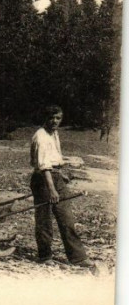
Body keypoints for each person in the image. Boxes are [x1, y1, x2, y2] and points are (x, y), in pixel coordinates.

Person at [30, 106, 93, 267]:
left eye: (58, 118)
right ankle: (44, 256)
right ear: (45, 118)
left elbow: (54, 159)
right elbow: (44, 166)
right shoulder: (41, 137)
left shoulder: (54, 134)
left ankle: (78, 257)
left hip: (55, 176)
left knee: (66, 218)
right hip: (43, 180)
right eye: (51, 118)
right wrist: (52, 189)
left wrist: (62, 173)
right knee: (44, 219)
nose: (55, 121)